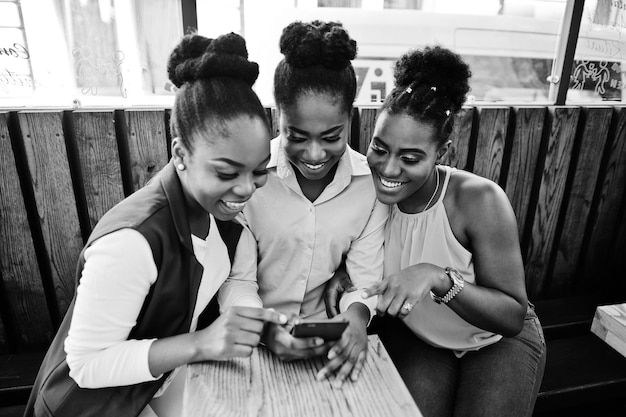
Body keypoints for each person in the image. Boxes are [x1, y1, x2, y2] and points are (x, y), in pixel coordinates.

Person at [24, 32, 287, 417]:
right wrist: (201, 342)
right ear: (180, 153)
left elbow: (233, 280)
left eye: (259, 171)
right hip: (91, 405)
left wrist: (257, 323)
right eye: (228, 171)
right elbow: (86, 365)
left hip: (152, 386)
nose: (247, 188)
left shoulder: (220, 209)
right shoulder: (133, 242)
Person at [328, 46, 546, 417]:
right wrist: (340, 273)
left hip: (494, 342)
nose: (389, 169)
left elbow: (511, 316)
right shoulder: (364, 190)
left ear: (441, 151)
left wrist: (439, 278)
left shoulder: (477, 200)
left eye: (410, 158)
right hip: (423, 339)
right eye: (380, 149)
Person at [218, 20, 388, 388]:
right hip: (252, 340)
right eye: (297, 136)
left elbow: (364, 279)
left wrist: (356, 320)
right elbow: (237, 280)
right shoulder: (252, 180)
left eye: (331, 137)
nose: (314, 154)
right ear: (278, 117)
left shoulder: (368, 187)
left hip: (330, 339)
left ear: (350, 119)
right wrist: (266, 330)